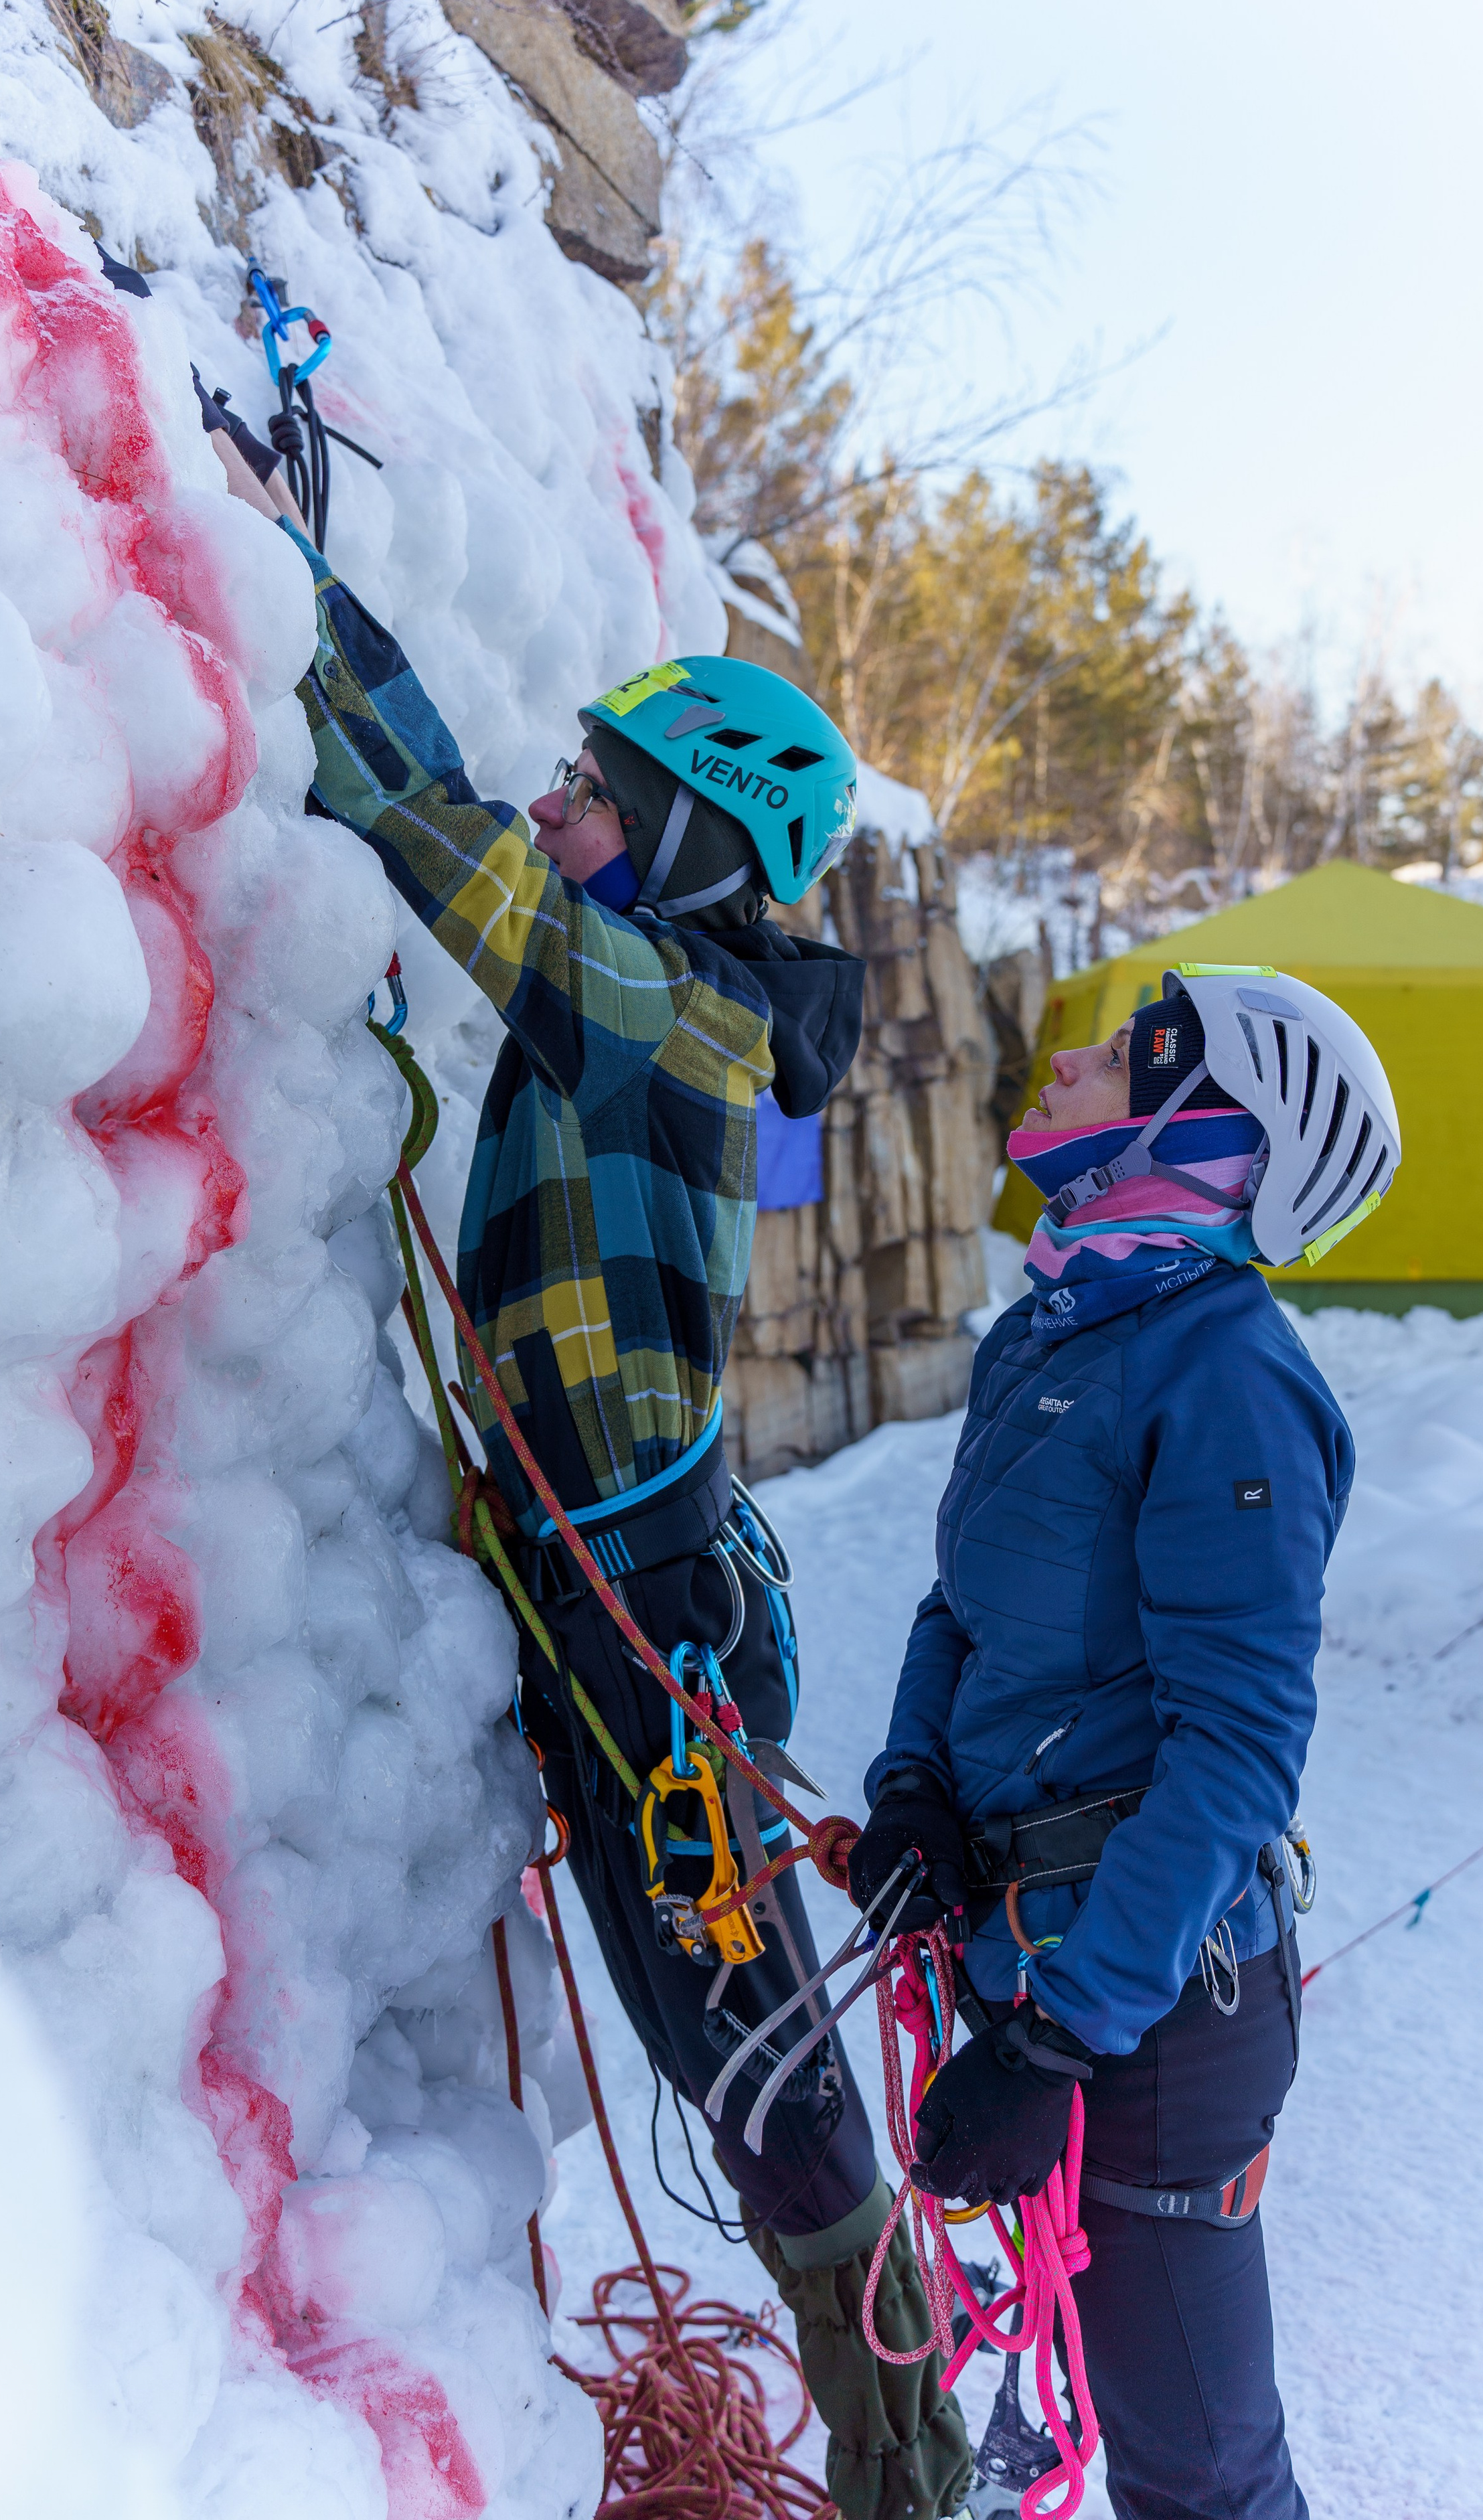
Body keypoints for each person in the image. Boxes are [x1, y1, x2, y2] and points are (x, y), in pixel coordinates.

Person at [207, 424, 971, 2520]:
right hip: (595, 1598)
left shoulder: (683, 1018)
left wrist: (296, 585)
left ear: (693, 850)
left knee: (742, 2048)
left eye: (602, 791)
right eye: (569, 781)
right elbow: (501, 854)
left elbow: (463, 853)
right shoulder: (649, 1001)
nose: (562, 804)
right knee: (696, 2025)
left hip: (654, 1637)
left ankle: (913, 2451)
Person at [848, 967, 1401, 2520]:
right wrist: (909, 1791)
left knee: (1200, 2472)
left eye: (1139, 1050)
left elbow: (1236, 1747)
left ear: (1216, 1131)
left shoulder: (1226, 1376)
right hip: (1032, 1959)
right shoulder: (1055, 1333)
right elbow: (960, 1607)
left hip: (1152, 2013)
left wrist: (1052, 2041)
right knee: (1104, 2403)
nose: (1077, 1053)